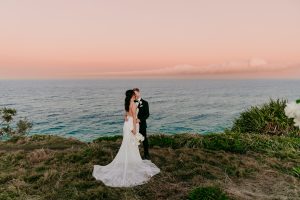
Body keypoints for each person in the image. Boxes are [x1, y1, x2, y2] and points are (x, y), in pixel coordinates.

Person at [92, 90, 160, 187]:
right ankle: (131, 161)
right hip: (132, 125)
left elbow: (128, 113)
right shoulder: (132, 103)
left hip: (127, 124)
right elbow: (133, 116)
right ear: (133, 95)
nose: (135, 95)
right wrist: (134, 130)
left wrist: (126, 117)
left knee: (128, 143)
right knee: (131, 143)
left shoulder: (128, 103)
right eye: (134, 94)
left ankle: (131, 159)